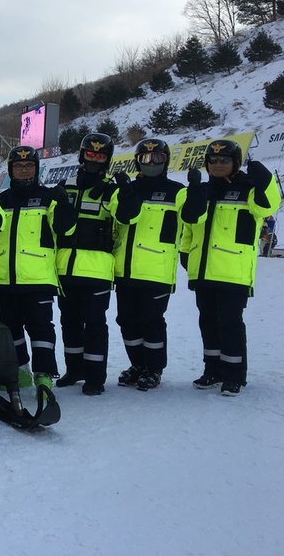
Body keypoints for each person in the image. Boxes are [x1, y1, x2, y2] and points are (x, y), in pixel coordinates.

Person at [181, 140, 281, 396]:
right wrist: (185, 253)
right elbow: (190, 228)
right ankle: (212, 370)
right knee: (208, 323)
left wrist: (263, 179)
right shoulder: (201, 190)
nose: (217, 165)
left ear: (235, 162)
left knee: (230, 323)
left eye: (224, 160)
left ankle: (234, 375)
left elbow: (268, 206)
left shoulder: (249, 190)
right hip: (203, 271)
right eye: (212, 161)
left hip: (233, 271)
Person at [0, 146, 76, 391]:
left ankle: (44, 374)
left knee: (41, 328)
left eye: (29, 166)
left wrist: (64, 203)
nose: (24, 171)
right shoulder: (1, 200)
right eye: (18, 167)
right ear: (11, 170)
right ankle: (20, 370)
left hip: (37, 278)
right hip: (6, 279)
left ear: (37, 168)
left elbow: (65, 228)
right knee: (11, 329)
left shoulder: (49, 197)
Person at [53, 133, 130, 396]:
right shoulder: (67, 185)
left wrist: (127, 192)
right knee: (69, 323)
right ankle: (74, 370)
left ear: (107, 160)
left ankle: (95, 377)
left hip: (97, 269)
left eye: (100, 155)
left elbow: (127, 217)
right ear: (82, 155)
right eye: (90, 154)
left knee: (95, 325)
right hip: (65, 268)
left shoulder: (112, 190)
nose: (94, 159)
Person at [112, 139, 186, 392]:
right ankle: (138, 364)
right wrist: (126, 192)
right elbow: (123, 218)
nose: (151, 163)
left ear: (166, 161)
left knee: (151, 320)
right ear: (137, 162)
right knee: (126, 320)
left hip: (157, 270)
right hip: (126, 269)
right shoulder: (126, 189)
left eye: (157, 159)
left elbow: (192, 220)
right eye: (145, 159)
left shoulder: (178, 191)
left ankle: (154, 368)